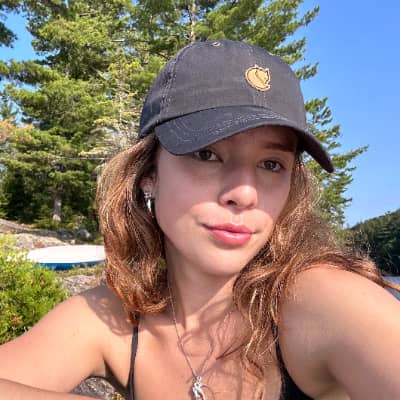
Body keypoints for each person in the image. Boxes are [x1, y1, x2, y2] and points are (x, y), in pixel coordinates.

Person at [0, 39, 399, 400]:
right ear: (148, 174)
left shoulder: (319, 301)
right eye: (207, 154)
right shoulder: (117, 318)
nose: (245, 193)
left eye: (271, 164)